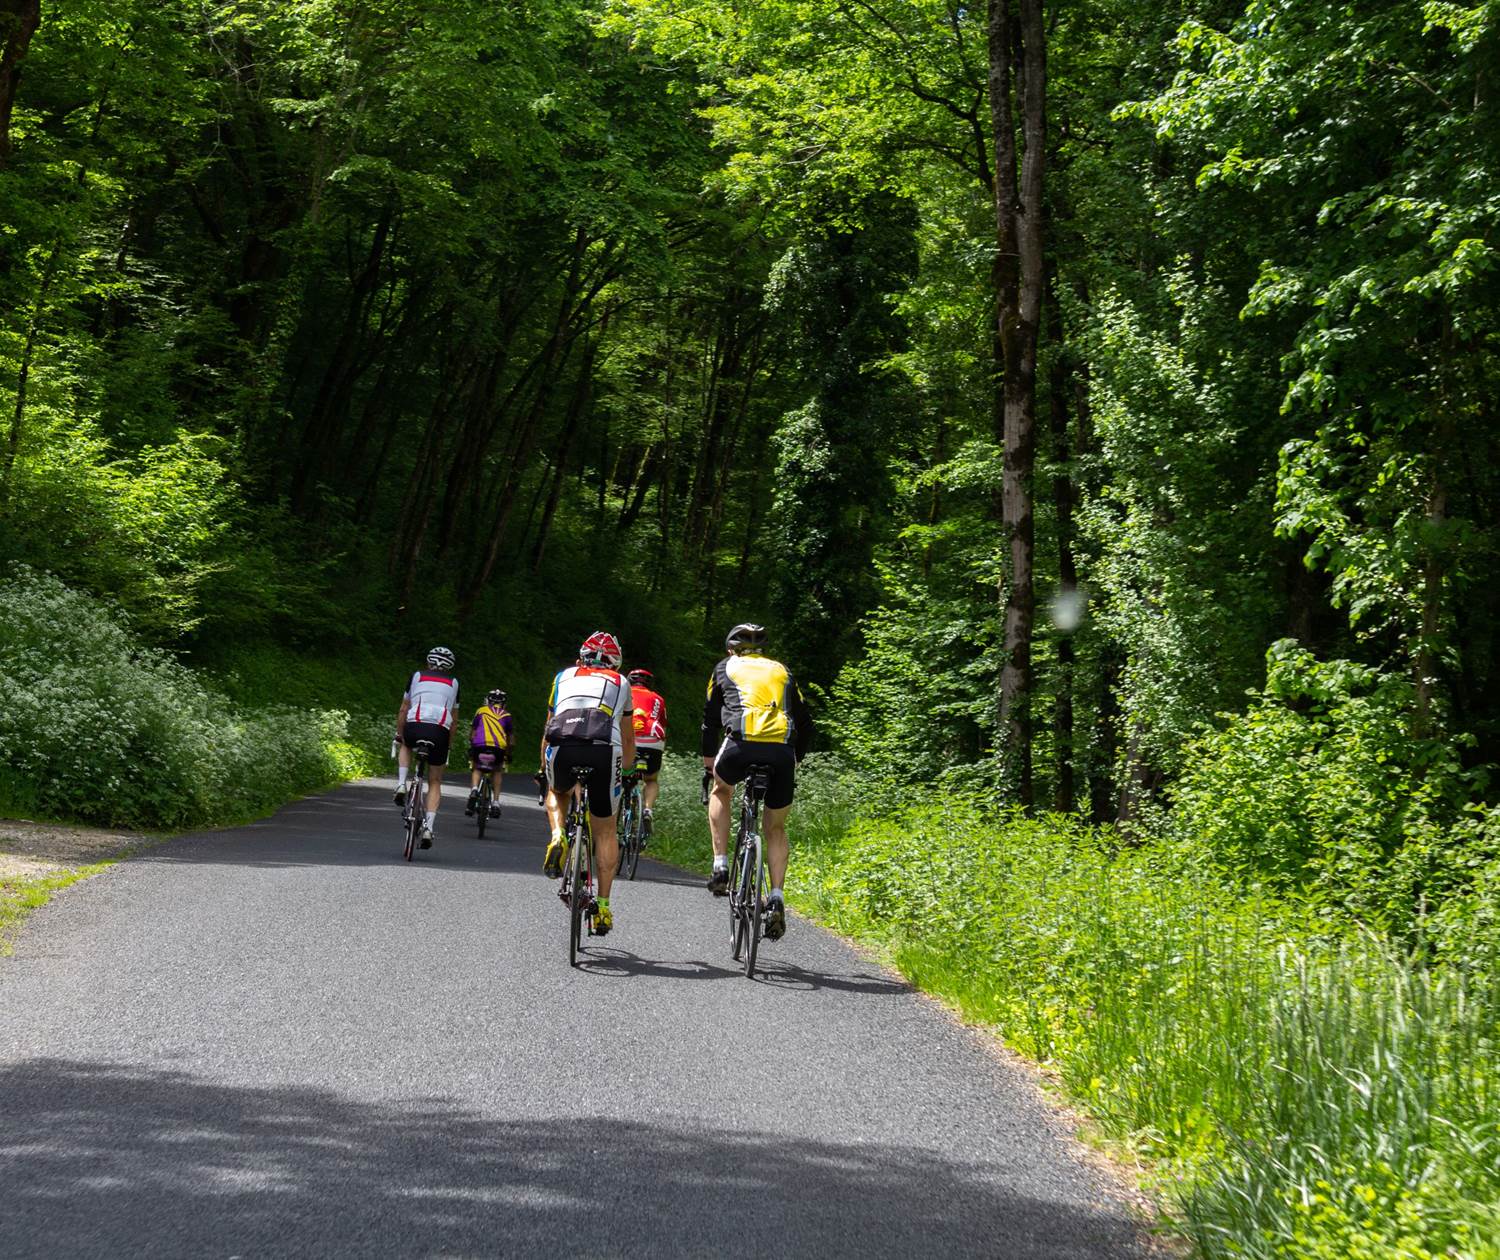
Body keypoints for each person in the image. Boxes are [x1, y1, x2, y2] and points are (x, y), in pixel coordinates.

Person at [700, 623, 812, 941]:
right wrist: (796, 758)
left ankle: (721, 865)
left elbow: (709, 720)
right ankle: (776, 897)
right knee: (775, 828)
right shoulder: (782, 671)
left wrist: (709, 765)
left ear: (730, 649)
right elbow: (805, 721)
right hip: (781, 750)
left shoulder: (724, 667)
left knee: (721, 790)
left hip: (740, 743)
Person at [540, 631, 635, 936]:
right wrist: (627, 769)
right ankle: (603, 908)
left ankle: (558, 836)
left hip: (563, 743)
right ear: (615, 663)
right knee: (606, 829)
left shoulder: (562, 677)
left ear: (580, 658)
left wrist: (543, 767)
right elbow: (627, 737)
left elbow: (548, 726)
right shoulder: (621, 682)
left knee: (556, 791)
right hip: (604, 748)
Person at [395, 646, 460, 849]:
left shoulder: (416, 676)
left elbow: (404, 709)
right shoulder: (454, 683)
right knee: (435, 781)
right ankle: (429, 828)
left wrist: (399, 734)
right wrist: (448, 746)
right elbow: (454, 721)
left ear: (428, 662)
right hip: (439, 731)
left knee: (405, 744)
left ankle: (401, 784)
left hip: (415, 725)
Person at [627, 667, 667, 838]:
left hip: (629, 737)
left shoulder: (623, 693)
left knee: (620, 776)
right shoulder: (658, 699)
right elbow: (663, 724)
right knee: (651, 780)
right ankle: (648, 809)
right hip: (653, 739)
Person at [466, 689, 514, 817]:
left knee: (477, 768)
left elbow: (472, 734)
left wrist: (471, 748)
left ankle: (474, 790)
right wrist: (508, 754)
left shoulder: (481, 711)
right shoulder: (506, 715)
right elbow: (511, 740)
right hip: (498, 748)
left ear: (487, 701)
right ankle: (496, 803)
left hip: (480, 745)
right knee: (497, 771)